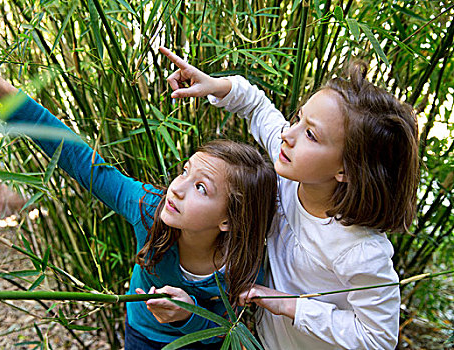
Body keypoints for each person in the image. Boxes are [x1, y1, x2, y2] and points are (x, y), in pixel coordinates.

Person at [0, 28, 278, 349]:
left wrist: (190, 316)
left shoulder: (244, 262)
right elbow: (77, 156)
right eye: (185, 171)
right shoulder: (149, 207)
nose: (177, 188)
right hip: (142, 334)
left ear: (229, 221)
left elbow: (229, 331)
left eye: (201, 188)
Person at [159, 46, 419, 349]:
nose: (288, 134)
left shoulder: (361, 251)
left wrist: (292, 305)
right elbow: (257, 106)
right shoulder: (289, 168)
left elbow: (379, 338)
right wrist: (216, 85)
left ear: (346, 170)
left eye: (311, 134)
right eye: (298, 118)